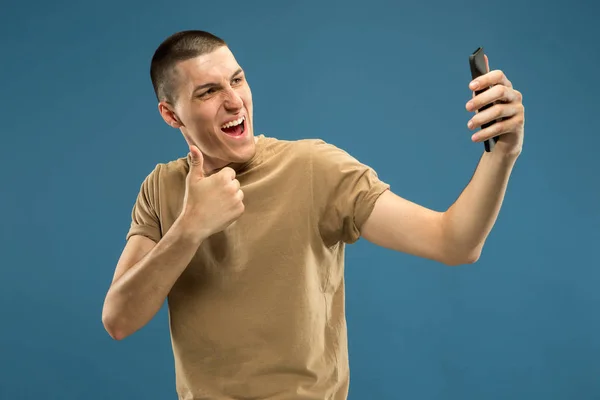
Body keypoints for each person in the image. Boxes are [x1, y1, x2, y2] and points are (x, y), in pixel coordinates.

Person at [101, 30, 525, 400]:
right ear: (171, 114)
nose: (234, 102)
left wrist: (503, 154)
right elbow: (118, 320)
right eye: (208, 92)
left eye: (237, 79)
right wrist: (189, 229)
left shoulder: (313, 167)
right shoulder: (161, 188)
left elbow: (453, 243)